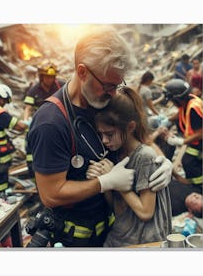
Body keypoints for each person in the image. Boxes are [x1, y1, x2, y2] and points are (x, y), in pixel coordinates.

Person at [28, 26, 173, 247]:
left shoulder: (104, 102)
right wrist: (105, 182)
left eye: (118, 85)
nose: (114, 92)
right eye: (108, 85)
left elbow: (137, 135)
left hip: (113, 231)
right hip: (75, 241)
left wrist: (160, 160)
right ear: (83, 72)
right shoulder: (51, 123)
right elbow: (51, 194)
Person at [86, 86, 172, 247]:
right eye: (100, 134)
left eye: (109, 134)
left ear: (130, 127)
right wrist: (104, 180)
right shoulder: (116, 154)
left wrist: (119, 184)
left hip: (144, 242)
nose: (104, 140)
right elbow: (115, 207)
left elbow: (146, 212)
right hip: (121, 236)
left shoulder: (144, 157)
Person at [23, 62, 65, 178]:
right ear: (41, 77)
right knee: (31, 148)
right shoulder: (34, 90)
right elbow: (28, 108)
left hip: (58, 121)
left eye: (52, 77)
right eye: (47, 77)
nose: (50, 80)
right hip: (39, 122)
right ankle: (34, 176)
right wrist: (26, 121)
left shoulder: (60, 85)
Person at [165, 79, 203, 193]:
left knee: (188, 162)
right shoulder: (187, 100)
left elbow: (201, 133)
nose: (172, 103)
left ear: (177, 98)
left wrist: (181, 142)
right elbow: (180, 112)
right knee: (187, 161)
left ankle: (199, 186)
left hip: (199, 141)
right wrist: (167, 120)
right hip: (194, 140)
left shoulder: (193, 109)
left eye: (172, 100)